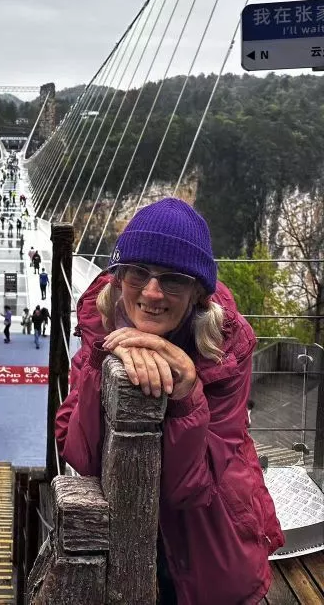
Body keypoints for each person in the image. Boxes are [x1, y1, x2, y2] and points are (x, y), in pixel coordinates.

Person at [55, 198, 284, 605]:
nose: (151, 292)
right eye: (138, 272)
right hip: (125, 540)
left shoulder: (227, 347)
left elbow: (189, 490)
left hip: (211, 548)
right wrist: (103, 363)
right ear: (118, 276)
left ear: (198, 293)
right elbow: (78, 453)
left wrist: (187, 396)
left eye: (173, 279)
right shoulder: (100, 322)